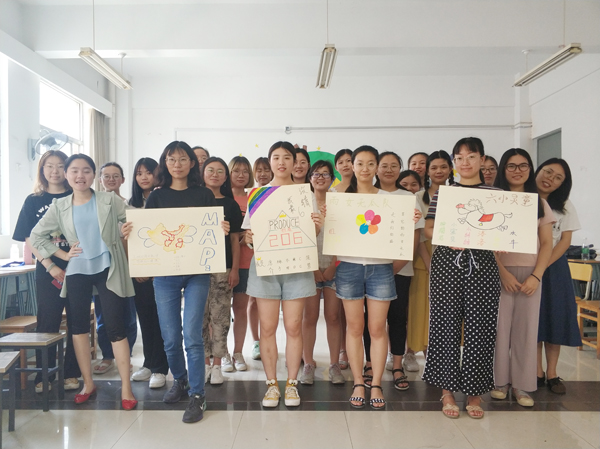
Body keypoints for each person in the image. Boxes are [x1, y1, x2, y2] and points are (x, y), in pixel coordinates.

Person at [123, 141, 229, 423]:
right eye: (171, 159)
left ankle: (197, 394)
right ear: (165, 163)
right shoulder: (157, 196)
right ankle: (180, 380)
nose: (177, 164)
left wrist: (221, 228)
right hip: (165, 274)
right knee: (170, 337)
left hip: (197, 273)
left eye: (183, 159)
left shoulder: (204, 194)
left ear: (192, 163)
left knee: (192, 334)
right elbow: (148, 234)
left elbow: (212, 232)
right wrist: (130, 233)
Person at [30, 153, 137, 410]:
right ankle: (87, 383)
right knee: (78, 328)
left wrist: (127, 229)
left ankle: (126, 387)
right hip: (77, 271)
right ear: (67, 175)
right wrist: (62, 256)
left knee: (115, 327)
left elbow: (138, 220)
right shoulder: (59, 206)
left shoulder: (109, 200)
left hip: (108, 268)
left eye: (86, 170)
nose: (80, 176)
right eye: (75, 171)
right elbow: (36, 236)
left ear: (94, 175)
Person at [423, 137, 501, 420]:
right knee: (445, 326)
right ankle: (446, 391)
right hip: (447, 264)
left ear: (483, 160)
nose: (465, 162)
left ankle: (474, 392)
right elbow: (429, 229)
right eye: (459, 157)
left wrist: (503, 240)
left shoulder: (497, 194)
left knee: (481, 327)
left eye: (471, 156)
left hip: (483, 265)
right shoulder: (445, 193)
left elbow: (502, 229)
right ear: (454, 162)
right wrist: (449, 237)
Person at [336, 146, 419, 410]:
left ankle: (377, 384)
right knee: (354, 327)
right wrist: (322, 219)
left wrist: (410, 219)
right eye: (359, 163)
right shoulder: (339, 198)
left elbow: (402, 233)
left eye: (370, 163)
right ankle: (359, 382)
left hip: (381, 268)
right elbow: (330, 234)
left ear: (376, 167)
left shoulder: (390, 199)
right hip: (349, 267)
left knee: (377, 328)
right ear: (351, 166)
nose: (364, 168)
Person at [243, 141, 323, 408]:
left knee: (293, 326)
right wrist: (248, 238)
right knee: (267, 327)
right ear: (269, 162)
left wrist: (317, 227)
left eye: (287, 157)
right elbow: (249, 236)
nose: (281, 162)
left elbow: (311, 235)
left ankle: (291, 384)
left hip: (297, 267)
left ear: (295, 162)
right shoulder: (258, 195)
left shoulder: (305, 194)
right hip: (266, 268)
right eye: (276, 157)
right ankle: (270, 385)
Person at [12, 150, 81, 393]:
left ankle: (71, 373)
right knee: (48, 322)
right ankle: (44, 375)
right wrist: (49, 265)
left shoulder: (77, 195)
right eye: (49, 166)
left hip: (78, 269)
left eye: (60, 165)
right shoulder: (33, 201)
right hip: (48, 271)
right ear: (42, 170)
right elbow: (29, 238)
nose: (55, 171)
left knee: (77, 322)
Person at [492, 148, 554, 408]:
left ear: (530, 169)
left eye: (523, 165)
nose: (517, 171)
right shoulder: (494, 200)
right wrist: (502, 272)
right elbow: (485, 241)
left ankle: (522, 385)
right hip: (498, 274)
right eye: (511, 165)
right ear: (503, 169)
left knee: (526, 331)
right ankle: (499, 382)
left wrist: (536, 276)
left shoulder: (539, 203)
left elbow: (547, 243)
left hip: (530, 274)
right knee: (499, 330)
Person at [365, 151, 423, 391]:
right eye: (384, 165)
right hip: (371, 269)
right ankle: (370, 364)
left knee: (398, 318)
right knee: (371, 321)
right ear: (376, 169)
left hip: (401, 270)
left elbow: (416, 235)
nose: (388, 170)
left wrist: (398, 264)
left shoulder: (409, 198)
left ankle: (397, 365)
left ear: (400, 169)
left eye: (394, 166)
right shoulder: (368, 195)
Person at [535, 158, 582, 395]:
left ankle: (552, 373)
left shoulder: (564, 205)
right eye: (548, 172)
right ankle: (536, 372)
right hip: (525, 265)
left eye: (557, 178)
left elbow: (565, 241)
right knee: (533, 320)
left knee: (554, 318)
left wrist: (542, 266)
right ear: (538, 170)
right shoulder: (524, 198)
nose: (550, 179)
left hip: (554, 267)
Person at [406, 151, 453, 371]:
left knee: (443, 312)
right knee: (418, 309)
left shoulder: (457, 195)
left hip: (452, 260)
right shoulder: (418, 197)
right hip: (423, 259)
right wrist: (429, 262)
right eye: (434, 167)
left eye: (443, 167)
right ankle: (410, 352)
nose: (439, 171)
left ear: (450, 169)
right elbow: (419, 232)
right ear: (428, 171)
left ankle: (436, 355)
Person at [300, 160, 344, 385]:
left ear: (332, 179)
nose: (320, 178)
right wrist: (314, 268)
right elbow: (299, 238)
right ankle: (308, 363)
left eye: (325, 174)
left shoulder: (340, 203)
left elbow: (346, 237)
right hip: (310, 269)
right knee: (309, 318)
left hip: (334, 268)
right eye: (316, 174)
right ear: (310, 178)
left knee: (333, 317)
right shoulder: (302, 203)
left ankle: (334, 364)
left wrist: (333, 265)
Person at [128, 158, 169, 389]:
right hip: (140, 271)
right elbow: (127, 240)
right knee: (145, 318)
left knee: (162, 320)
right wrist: (137, 268)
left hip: (162, 270)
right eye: (139, 173)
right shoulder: (130, 205)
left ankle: (161, 368)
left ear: (158, 174)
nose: (144, 177)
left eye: (148, 172)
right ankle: (148, 363)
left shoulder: (164, 198)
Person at [201, 157, 243, 385]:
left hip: (222, 268)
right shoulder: (194, 200)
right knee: (199, 318)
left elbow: (236, 240)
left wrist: (234, 269)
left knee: (220, 317)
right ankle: (204, 364)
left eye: (220, 171)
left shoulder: (230, 204)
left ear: (225, 177)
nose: (215, 175)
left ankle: (217, 363)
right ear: (202, 173)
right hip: (196, 269)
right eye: (210, 170)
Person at [94, 162, 137, 375]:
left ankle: (126, 357)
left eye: (115, 176)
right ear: (100, 179)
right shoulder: (92, 204)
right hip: (102, 268)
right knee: (103, 316)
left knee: (128, 315)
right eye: (107, 176)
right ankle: (107, 356)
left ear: (123, 179)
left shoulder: (130, 207)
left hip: (127, 268)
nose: (111, 180)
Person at [223, 156, 255, 372]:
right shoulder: (222, 198)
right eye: (236, 171)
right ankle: (223, 353)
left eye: (245, 171)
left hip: (248, 263)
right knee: (221, 312)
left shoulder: (255, 198)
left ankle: (238, 352)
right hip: (225, 263)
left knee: (241, 309)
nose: (241, 175)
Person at [248, 156, 274, 360]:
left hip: (278, 256)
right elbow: (247, 232)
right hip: (256, 257)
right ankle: (256, 342)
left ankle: (269, 343)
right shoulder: (253, 196)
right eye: (259, 170)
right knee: (253, 301)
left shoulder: (279, 194)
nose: (263, 174)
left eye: (266, 169)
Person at [331, 148, 353, 369]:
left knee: (353, 310)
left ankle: (352, 350)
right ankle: (341, 350)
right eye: (341, 161)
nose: (346, 164)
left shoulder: (363, 191)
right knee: (337, 310)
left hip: (357, 255)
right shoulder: (331, 192)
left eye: (349, 160)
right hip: (336, 255)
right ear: (336, 166)